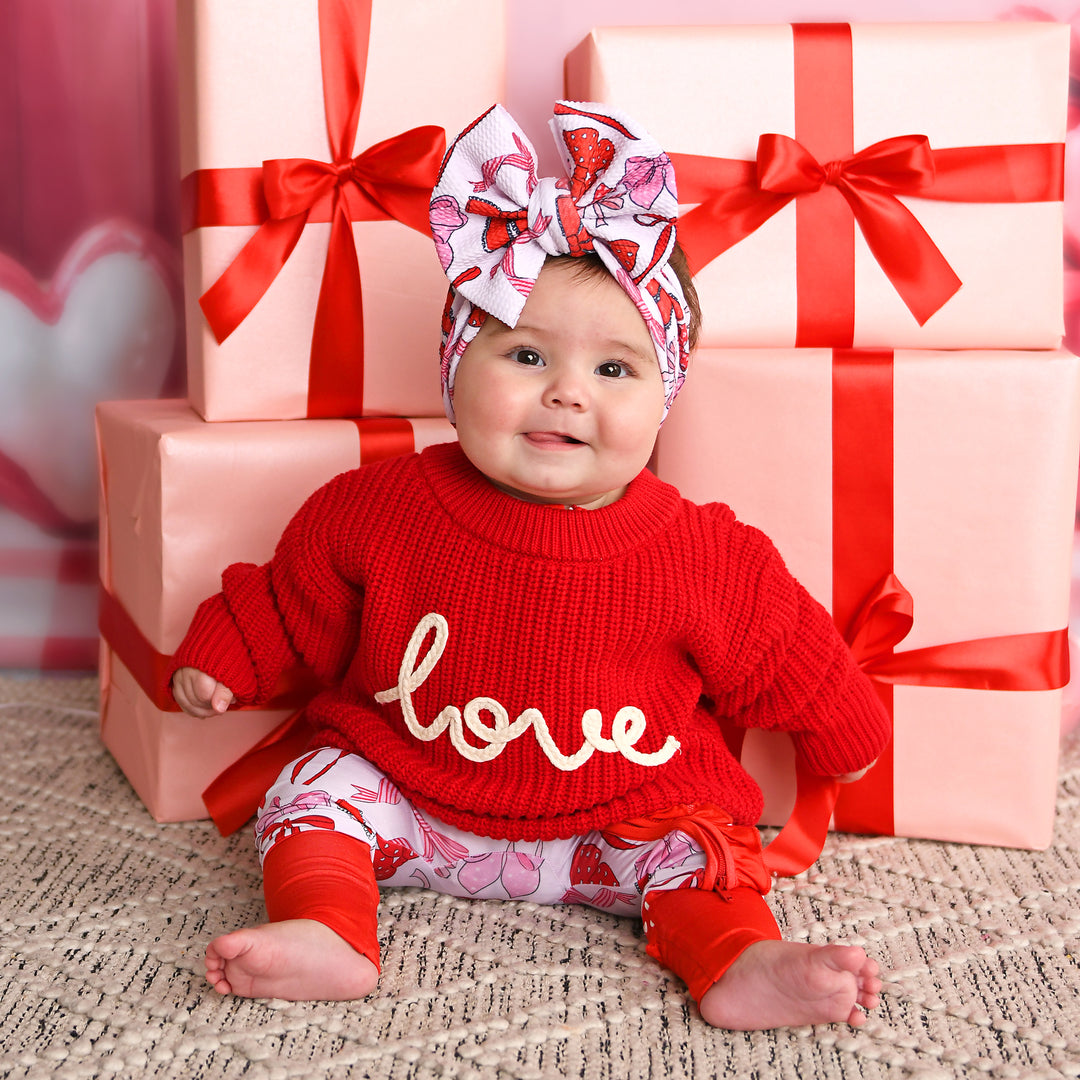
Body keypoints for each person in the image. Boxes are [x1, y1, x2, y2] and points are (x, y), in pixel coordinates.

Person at [170, 101, 891, 1030]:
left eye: (615, 372)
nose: (566, 392)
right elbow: (291, 595)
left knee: (701, 844)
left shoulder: (706, 552)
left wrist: (847, 730)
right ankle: (325, 925)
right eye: (525, 353)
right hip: (415, 796)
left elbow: (787, 647)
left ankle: (737, 957)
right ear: (455, 367)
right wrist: (226, 652)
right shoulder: (379, 507)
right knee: (314, 791)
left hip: (619, 819)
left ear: (665, 398)